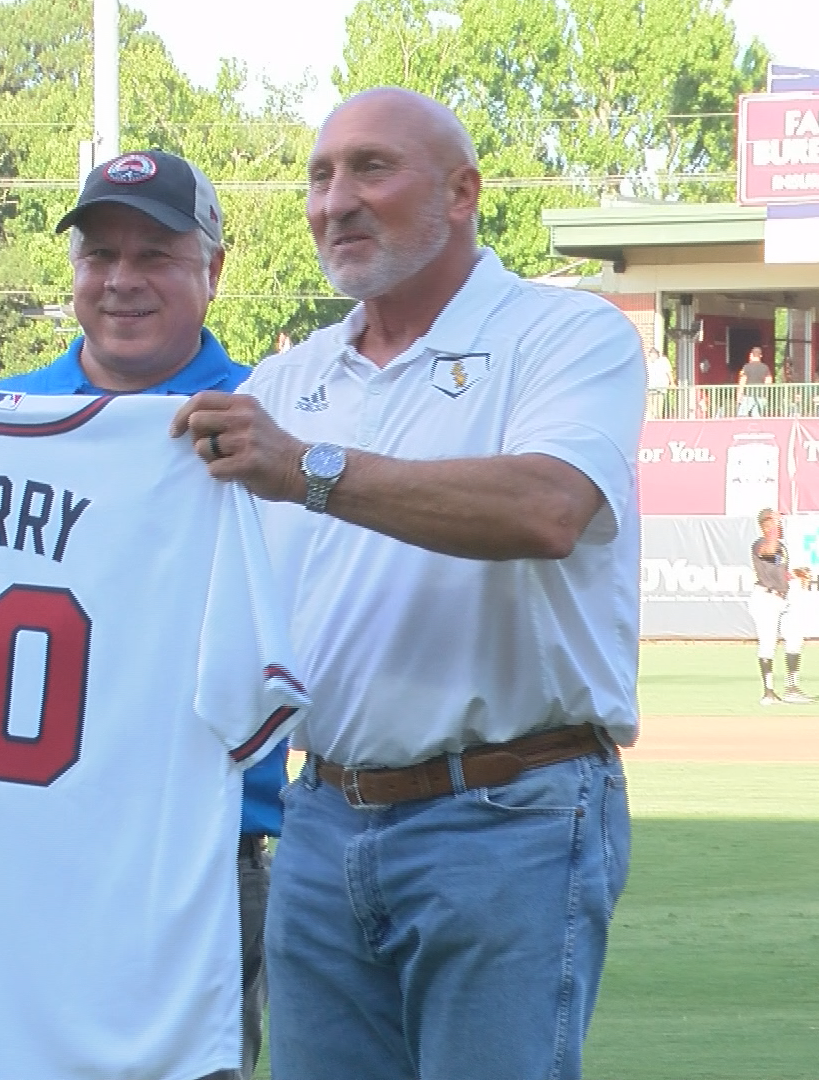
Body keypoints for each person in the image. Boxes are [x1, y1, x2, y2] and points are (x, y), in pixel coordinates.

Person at [170, 88, 642, 1080]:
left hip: (509, 807)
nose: (335, 200)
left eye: (371, 168)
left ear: (463, 191)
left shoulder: (563, 336)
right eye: (319, 175)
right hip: (323, 814)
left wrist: (309, 470)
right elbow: (131, 444)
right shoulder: (288, 380)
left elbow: (548, 508)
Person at [0, 149, 284, 1080]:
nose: (121, 280)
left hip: (199, 857)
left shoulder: (273, 421)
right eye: (99, 254)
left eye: (155, 254)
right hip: (23, 852)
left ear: (214, 271)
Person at [749, 508, 812, 705]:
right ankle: (768, 692)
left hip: (784, 597)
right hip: (765, 598)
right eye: (777, 522)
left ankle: (792, 688)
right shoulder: (760, 543)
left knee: (795, 639)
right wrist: (773, 527)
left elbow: (776, 569)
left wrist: (794, 574)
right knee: (768, 644)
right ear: (766, 525)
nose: (781, 525)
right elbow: (767, 551)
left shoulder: (781, 547)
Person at [737, 344, 770, 416]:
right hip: (760, 396)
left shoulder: (746, 367)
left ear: (751, 355)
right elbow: (768, 382)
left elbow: (742, 381)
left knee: (741, 416)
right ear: (761, 356)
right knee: (757, 417)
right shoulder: (765, 368)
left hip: (748, 396)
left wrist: (739, 395)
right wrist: (765, 395)